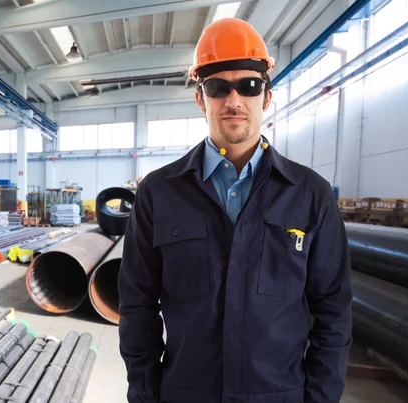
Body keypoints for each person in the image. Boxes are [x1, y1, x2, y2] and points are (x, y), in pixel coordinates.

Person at [118, 17, 352, 403]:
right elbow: (136, 304)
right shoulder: (158, 194)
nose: (233, 100)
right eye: (217, 87)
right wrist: (146, 393)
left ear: (267, 96)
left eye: (249, 85)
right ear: (200, 98)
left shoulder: (311, 195)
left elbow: (334, 311)